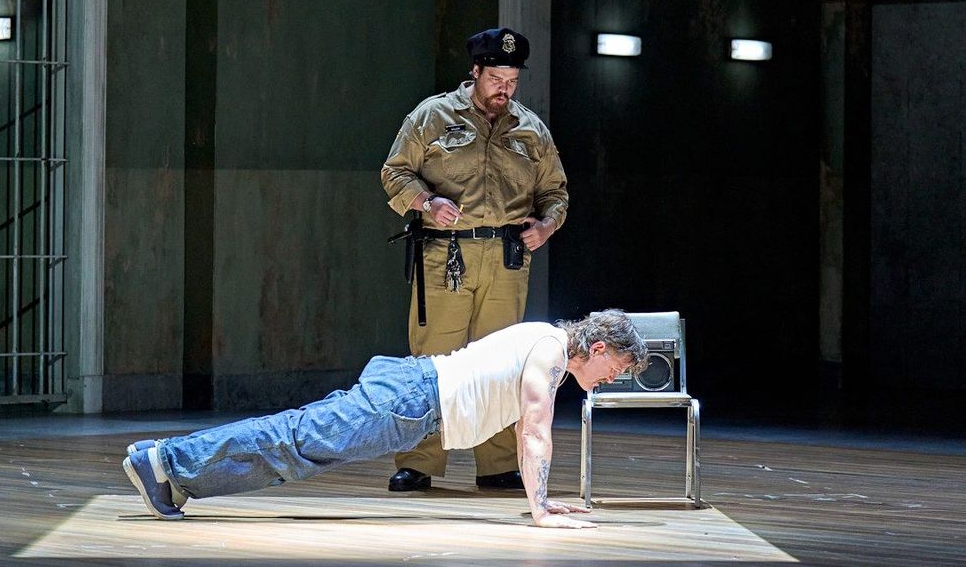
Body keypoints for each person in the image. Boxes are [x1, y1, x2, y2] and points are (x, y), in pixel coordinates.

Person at [122, 309, 647, 529]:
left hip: (411, 400)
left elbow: (524, 430)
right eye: (615, 368)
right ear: (597, 346)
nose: (609, 378)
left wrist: (541, 498)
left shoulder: (549, 346)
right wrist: (540, 513)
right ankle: (164, 460)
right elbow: (533, 430)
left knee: (296, 452)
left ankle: (175, 475)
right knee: (294, 441)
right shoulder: (552, 351)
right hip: (412, 399)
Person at [380, 27, 569, 491]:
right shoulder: (433, 116)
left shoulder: (531, 130)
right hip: (448, 253)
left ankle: (499, 463)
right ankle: (419, 462)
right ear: (476, 72)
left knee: (505, 363)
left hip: (506, 259)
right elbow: (394, 172)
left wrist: (546, 226)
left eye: (512, 80)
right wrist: (426, 203)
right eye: (496, 78)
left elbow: (555, 193)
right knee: (434, 360)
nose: (504, 89)